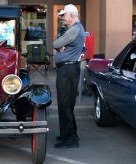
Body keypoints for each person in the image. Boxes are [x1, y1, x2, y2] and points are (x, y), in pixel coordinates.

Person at [53, 4, 85, 149]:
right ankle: (68, 134)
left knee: (65, 104)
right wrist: (60, 47)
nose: (62, 19)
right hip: (68, 69)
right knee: (66, 104)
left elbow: (56, 43)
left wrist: (60, 47)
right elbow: (58, 44)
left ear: (72, 15)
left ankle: (71, 139)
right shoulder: (75, 29)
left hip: (68, 70)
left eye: (64, 16)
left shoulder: (75, 29)